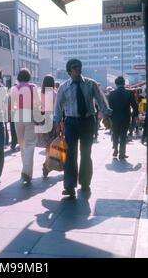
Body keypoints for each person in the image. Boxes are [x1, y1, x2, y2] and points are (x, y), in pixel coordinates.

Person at [54, 59, 112, 198]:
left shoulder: (90, 84)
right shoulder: (64, 87)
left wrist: (106, 116)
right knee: (70, 154)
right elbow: (58, 107)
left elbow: (100, 100)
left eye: (79, 66)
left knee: (86, 153)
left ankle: (85, 182)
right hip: (71, 123)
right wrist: (57, 123)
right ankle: (69, 186)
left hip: (87, 122)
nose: (78, 69)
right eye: (75, 67)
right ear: (69, 71)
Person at [10, 68, 40, 184]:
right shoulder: (32, 87)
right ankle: (27, 171)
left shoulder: (14, 88)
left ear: (18, 77)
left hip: (18, 116)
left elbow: (12, 105)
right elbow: (38, 103)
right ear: (29, 77)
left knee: (22, 144)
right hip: (29, 115)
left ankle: (25, 170)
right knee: (30, 144)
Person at [108, 76, 138, 159]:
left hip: (114, 117)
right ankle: (122, 153)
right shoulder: (129, 93)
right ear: (124, 83)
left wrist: (109, 117)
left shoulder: (112, 93)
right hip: (125, 117)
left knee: (115, 133)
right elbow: (134, 105)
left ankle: (115, 148)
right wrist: (135, 115)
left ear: (116, 83)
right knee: (123, 135)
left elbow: (109, 107)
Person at [40, 75, 57, 177]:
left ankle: (47, 164)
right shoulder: (55, 93)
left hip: (43, 119)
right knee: (53, 143)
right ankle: (47, 165)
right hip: (52, 120)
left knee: (48, 144)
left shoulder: (41, 93)